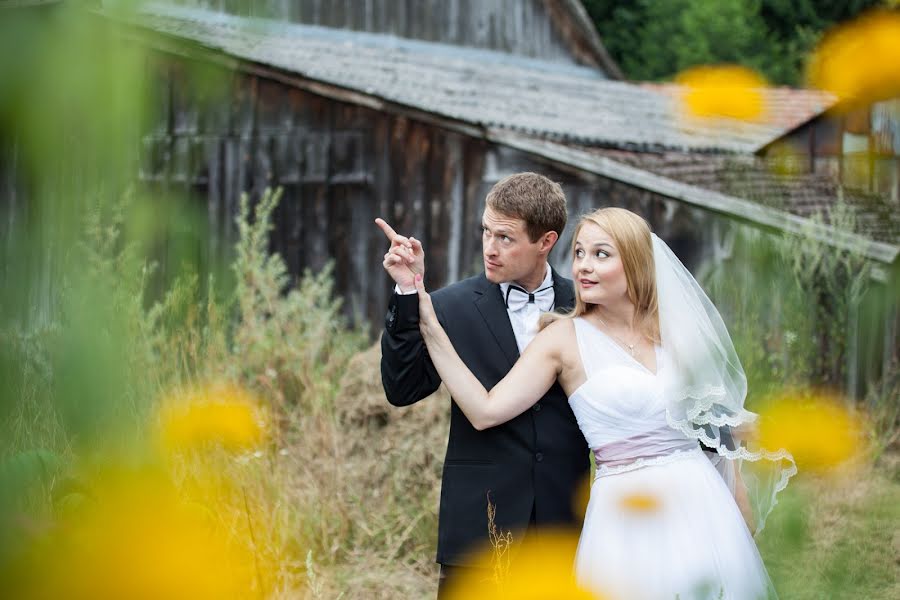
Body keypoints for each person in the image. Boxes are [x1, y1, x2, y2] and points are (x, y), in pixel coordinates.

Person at [411, 207, 796, 600]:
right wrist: (429, 325)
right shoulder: (562, 339)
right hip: (624, 517)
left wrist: (737, 510)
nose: (583, 267)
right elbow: (485, 410)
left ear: (635, 262)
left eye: (601, 254)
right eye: (578, 253)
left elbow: (712, 430)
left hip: (702, 504)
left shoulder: (675, 334)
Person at [377, 173, 590, 597]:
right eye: (485, 232)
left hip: (566, 523)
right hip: (479, 521)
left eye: (506, 238)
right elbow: (402, 390)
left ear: (546, 241)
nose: (489, 249)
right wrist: (407, 290)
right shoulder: (450, 305)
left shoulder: (586, 306)